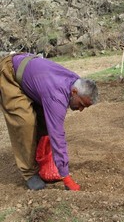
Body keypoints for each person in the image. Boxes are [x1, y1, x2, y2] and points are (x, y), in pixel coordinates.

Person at [0, 53, 99, 191]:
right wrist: (66, 177)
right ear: (75, 92)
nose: (81, 109)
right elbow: (57, 136)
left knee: (45, 122)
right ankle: (29, 173)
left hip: (33, 77)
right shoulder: (57, 97)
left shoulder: (75, 82)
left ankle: (41, 162)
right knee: (25, 122)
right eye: (81, 104)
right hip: (10, 74)